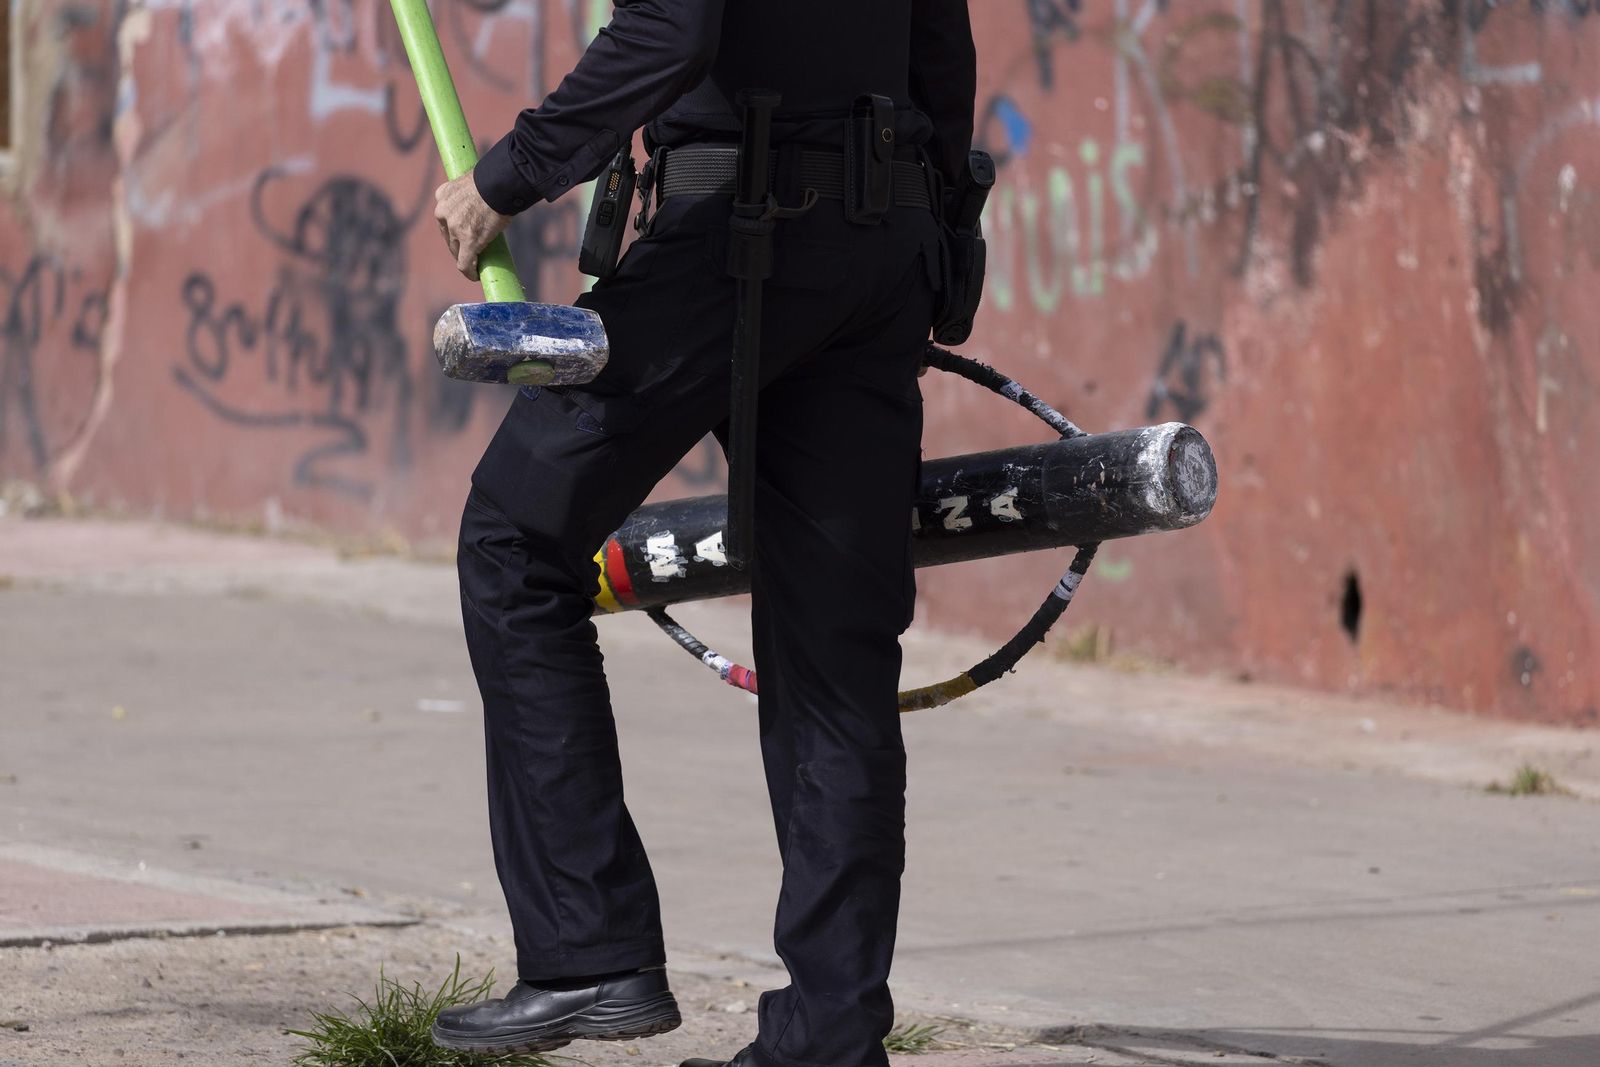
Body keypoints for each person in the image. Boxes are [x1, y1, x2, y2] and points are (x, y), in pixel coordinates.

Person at [429, 2, 976, 1065]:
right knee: (835, 654)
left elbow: (673, 28)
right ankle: (826, 1034)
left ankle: (588, 950)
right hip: (882, 243)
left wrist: (506, 177)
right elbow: (938, 47)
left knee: (514, 541)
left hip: (742, 229)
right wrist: (936, 236)